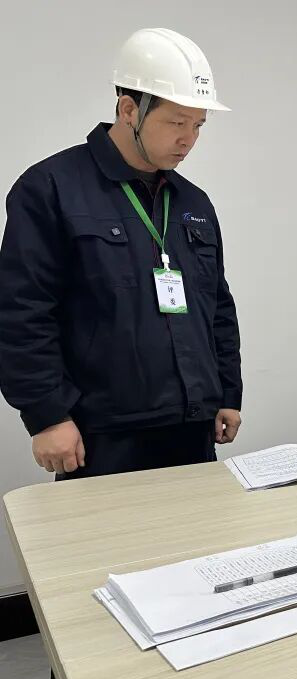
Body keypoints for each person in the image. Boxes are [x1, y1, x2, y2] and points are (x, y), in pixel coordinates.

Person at [0, 28, 242, 478]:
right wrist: (47, 415)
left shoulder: (193, 202)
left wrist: (228, 392)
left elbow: (217, 307)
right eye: (177, 123)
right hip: (101, 435)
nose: (189, 139)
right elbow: (21, 312)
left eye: (198, 125)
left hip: (192, 426)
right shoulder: (51, 188)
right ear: (129, 109)